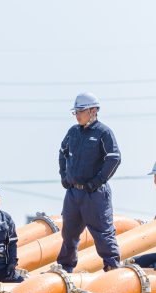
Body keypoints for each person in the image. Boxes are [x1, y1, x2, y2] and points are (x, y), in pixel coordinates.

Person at [57, 92, 121, 273]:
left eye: (81, 111)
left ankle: (112, 267)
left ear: (93, 111)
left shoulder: (103, 133)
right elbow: (62, 153)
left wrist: (98, 181)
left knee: (103, 233)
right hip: (73, 193)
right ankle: (65, 268)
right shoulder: (73, 132)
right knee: (68, 234)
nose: (77, 115)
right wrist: (64, 176)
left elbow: (114, 159)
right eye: (75, 111)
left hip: (95, 194)